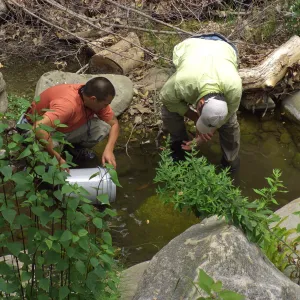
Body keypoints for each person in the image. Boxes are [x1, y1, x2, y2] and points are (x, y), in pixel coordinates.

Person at [160, 33, 242, 170]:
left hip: (224, 50)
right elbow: (167, 100)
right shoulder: (182, 83)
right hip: (191, 45)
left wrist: (203, 135)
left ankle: (230, 160)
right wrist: (195, 116)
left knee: (230, 123)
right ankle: (179, 146)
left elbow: (228, 114)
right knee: (169, 111)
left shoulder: (234, 88)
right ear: (201, 103)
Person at [26, 76, 119, 170]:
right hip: (38, 129)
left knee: (102, 128)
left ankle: (72, 149)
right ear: (93, 99)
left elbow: (114, 123)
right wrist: (57, 158)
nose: (106, 107)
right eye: (105, 104)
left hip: (63, 125)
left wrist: (109, 149)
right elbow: (38, 128)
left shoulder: (90, 94)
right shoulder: (67, 106)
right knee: (47, 161)